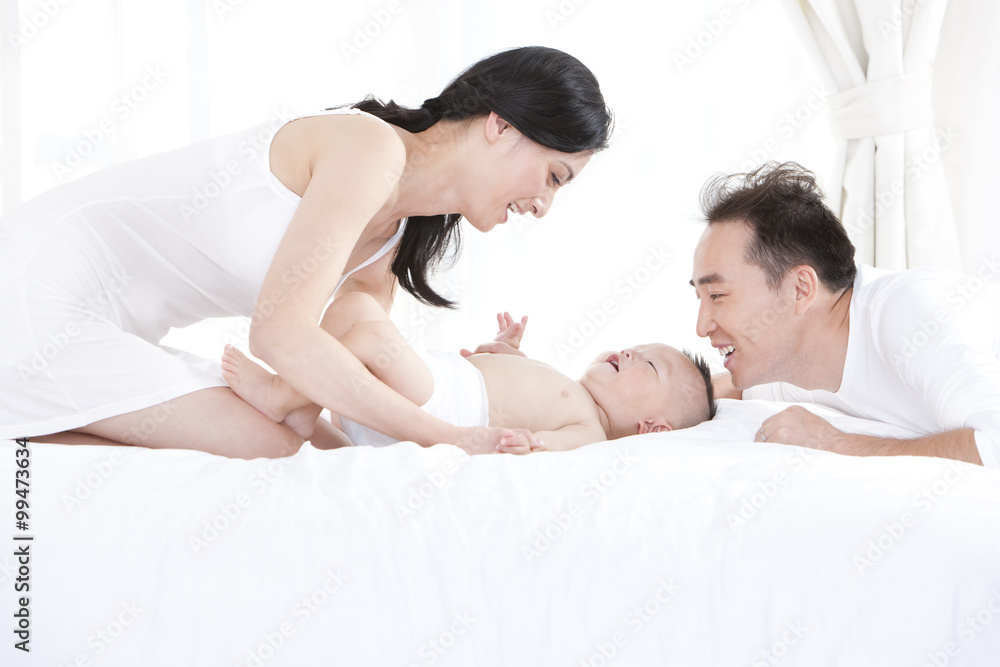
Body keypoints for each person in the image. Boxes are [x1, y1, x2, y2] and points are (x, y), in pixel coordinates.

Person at [0, 46, 613, 458]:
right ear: (501, 124)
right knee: (262, 439)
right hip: (35, 284)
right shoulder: (368, 147)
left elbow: (324, 377)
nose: (543, 206)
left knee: (275, 438)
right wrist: (451, 439)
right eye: (554, 177)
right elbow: (282, 338)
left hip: (110, 328)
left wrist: (347, 446)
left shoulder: (392, 241)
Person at [689, 161, 1000, 468]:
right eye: (700, 297)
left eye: (717, 295)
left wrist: (832, 442)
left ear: (799, 289)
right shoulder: (800, 356)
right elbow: (730, 390)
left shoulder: (914, 313)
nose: (702, 326)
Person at [220, 293, 716, 452]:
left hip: (442, 406)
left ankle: (281, 395)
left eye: (647, 363)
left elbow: (547, 445)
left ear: (653, 428)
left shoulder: (590, 431)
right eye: (633, 347)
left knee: (369, 337)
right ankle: (306, 412)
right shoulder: (568, 387)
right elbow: (509, 382)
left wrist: (531, 444)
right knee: (355, 306)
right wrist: (501, 350)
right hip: (436, 385)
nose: (628, 353)